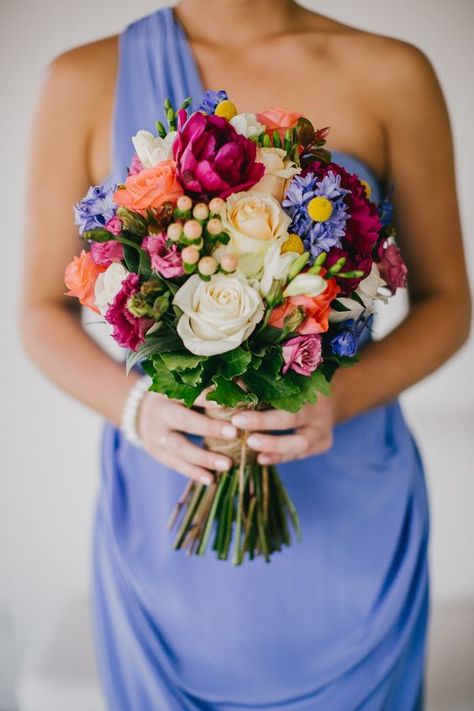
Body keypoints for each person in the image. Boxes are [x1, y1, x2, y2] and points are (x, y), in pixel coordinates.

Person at [20, 1, 471, 709]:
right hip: (171, 489)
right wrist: (135, 406)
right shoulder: (80, 79)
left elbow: (450, 303)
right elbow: (36, 311)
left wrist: (339, 397)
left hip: (349, 495)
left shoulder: (393, 72)